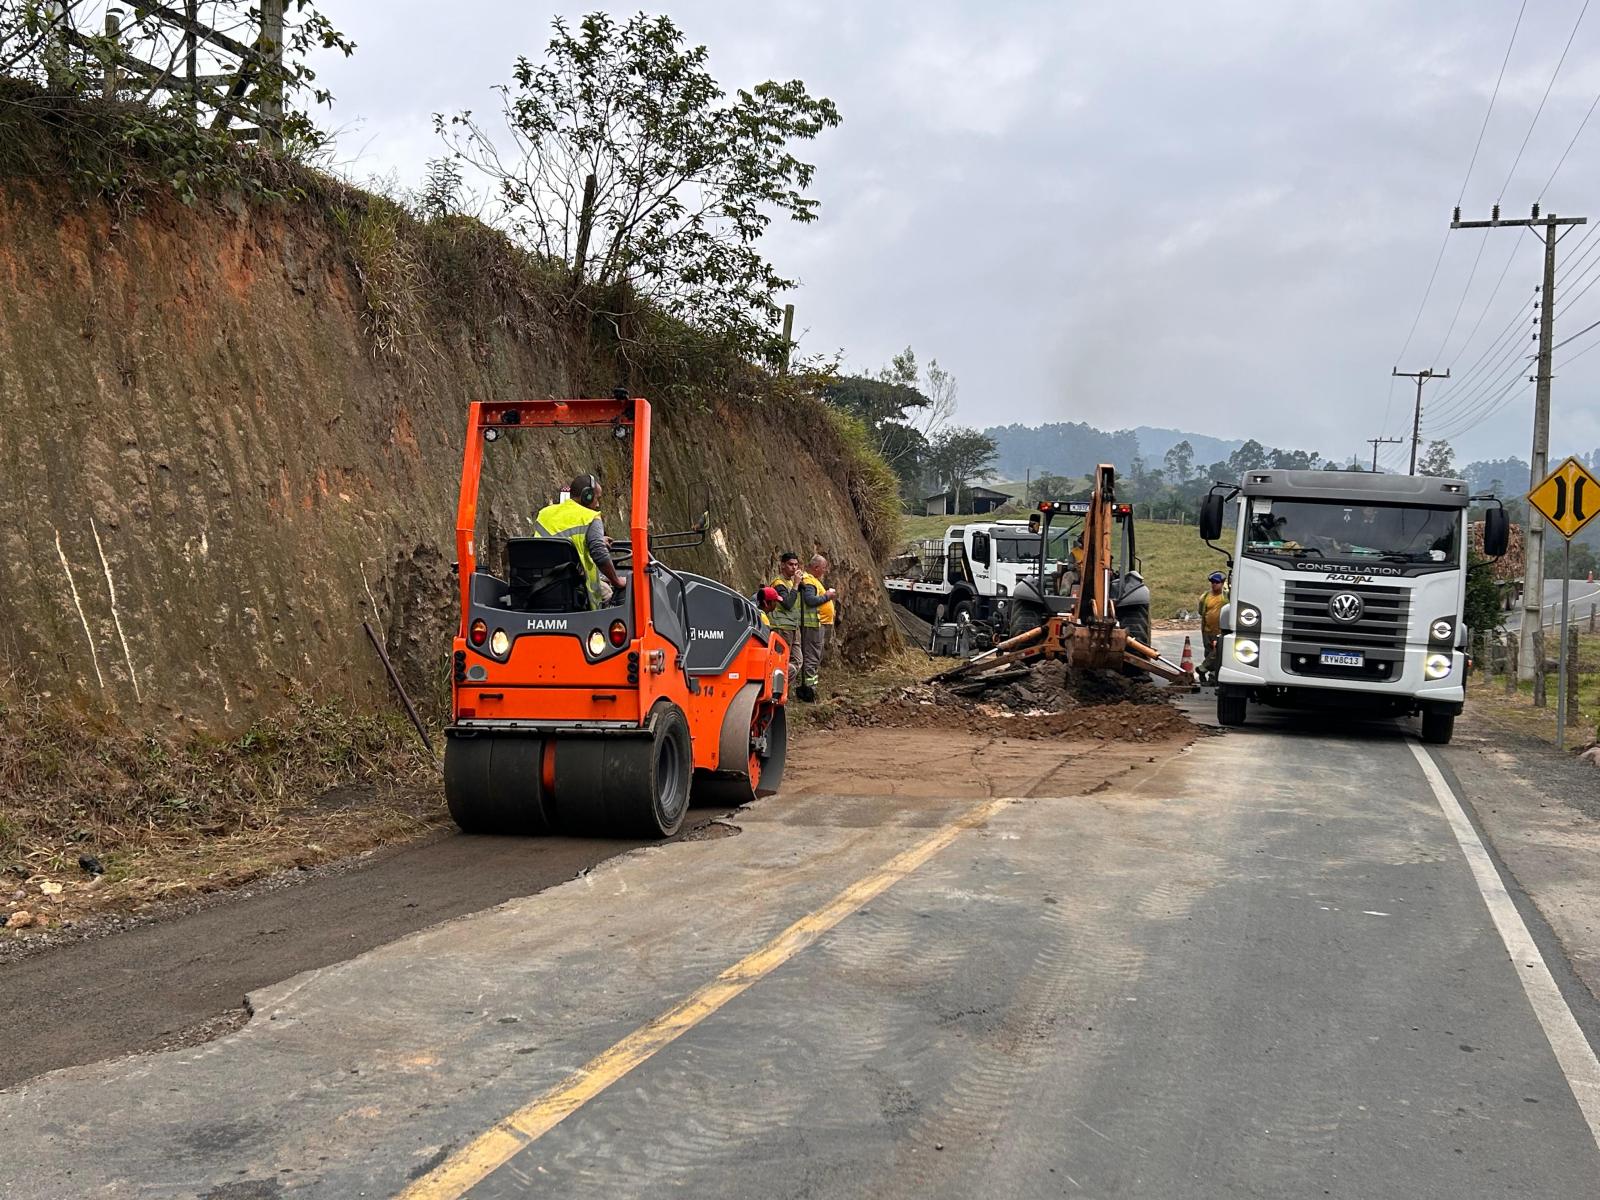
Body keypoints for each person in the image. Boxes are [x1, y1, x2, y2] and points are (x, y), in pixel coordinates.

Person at [533, 473, 628, 609]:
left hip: (539, 585)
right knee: (608, 593)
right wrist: (616, 580)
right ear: (587, 496)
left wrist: (595, 539)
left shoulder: (545, 513)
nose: (598, 504)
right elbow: (599, 554)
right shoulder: (590, 517)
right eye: (597, 498)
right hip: (571, 589)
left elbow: (559, 540)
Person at [768, 552, 813, 700]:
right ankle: (774, 691)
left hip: (793, 627)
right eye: (790, 564)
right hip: (781, 627)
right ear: (782, 565)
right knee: (781, 660)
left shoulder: (791, 583)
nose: (794, 568)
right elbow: (787, 603)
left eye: (796, 565)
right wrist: (795, 585)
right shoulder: (778, 583)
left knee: (797, 660)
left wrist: (798, 585)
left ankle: (780, 688)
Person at [805, 554, 839, 686]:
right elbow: (810, 600)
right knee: (812, 656)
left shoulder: (814, 580)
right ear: (816, 567)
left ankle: (811, 685)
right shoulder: (809, 581)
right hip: (813, 623)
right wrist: (827, 596)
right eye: (824, 567)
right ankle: (809, 688)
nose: (825, 570)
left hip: (817, 623)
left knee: (815, 656)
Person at [1198, 570, 1228, 683]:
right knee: (1209, 654)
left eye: (1217, 582)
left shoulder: (1226, 596)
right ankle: (1208, 675)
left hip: (1220, 631)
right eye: (1212, 582)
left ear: (1222, 583)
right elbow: (1201, 611)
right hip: (1207, 631)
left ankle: (1205, 671)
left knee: (1217, 654)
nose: (1214, 584)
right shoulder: (1205, 596)